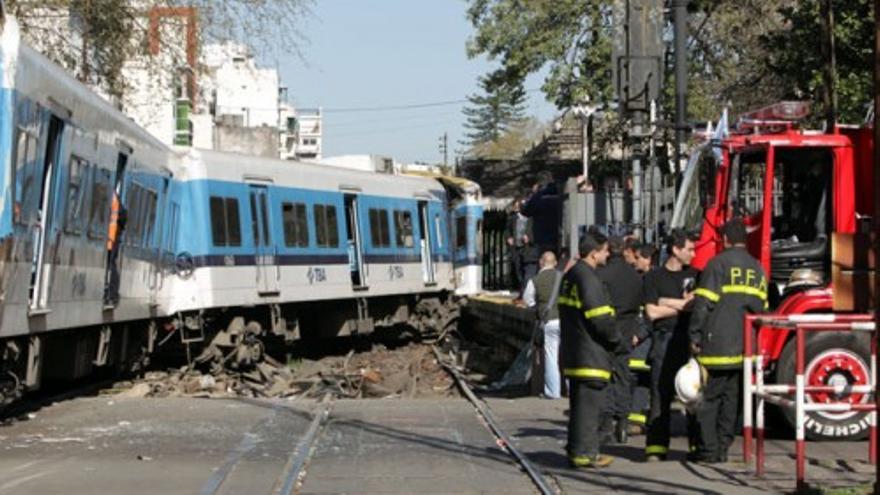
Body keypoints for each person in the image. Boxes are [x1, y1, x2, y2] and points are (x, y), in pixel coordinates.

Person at [689, 218, 767, 463]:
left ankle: (709, 450)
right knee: (731, 399)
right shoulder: (757, 268)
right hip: (745, 346)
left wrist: (695, 334)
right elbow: (762, 309)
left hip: (717, 343)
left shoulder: (717, 265)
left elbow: (703, 305)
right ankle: (723, 447)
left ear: (725, 239)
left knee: (710, 398)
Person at [559, 232, 619, 468]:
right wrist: (617, 340)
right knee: (589, 408)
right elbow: (600, 319)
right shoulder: (589, 279)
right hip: (590, 354)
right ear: (594, 253)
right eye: (605, 250)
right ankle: (586, 454)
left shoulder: (570, 276)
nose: (607, 254)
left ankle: (576, 450)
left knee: (578, 406)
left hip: (574, 351)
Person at [643, 230, 700, 461]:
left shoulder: (697, 275)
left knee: (694, 396)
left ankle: (697, 447)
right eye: (690, 249)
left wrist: (665, 302)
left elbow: (696, 306)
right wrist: (682, 304)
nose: (693, 254)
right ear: (676, 250)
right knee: (660, 393)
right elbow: (651, 312)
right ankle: (656, 448)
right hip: (664, 340)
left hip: (688, 339)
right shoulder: (654, 277)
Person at [597, 236, 642, 444]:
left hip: (607, 331)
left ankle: (606, 425)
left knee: (606, 377)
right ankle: (623, 424)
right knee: (623, 376)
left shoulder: (601, 275)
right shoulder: (635, 276)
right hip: (627, 330)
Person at [523, 251, 563, 399]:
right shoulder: (563, 278)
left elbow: (528, 300)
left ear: (541, 263)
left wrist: (539, 307)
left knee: (551, 357)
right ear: (556, 263)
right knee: (570, 356)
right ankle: (571, 390)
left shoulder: (535, 280)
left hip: (549, 322)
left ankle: (553, 392)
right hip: (566, 321)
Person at [522, 172, 561, 255]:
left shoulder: (539, 196)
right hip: (559, 234)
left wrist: (534, 193)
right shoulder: (559, 193)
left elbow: (526, 211)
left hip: (542, 235)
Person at [103, 184, 126, 306]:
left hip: (111, 238)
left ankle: (112, 294)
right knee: (111, 266)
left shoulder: (111, 197)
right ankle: (111, 294)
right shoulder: (114, 198)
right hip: (111, 238)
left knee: (110, 265)